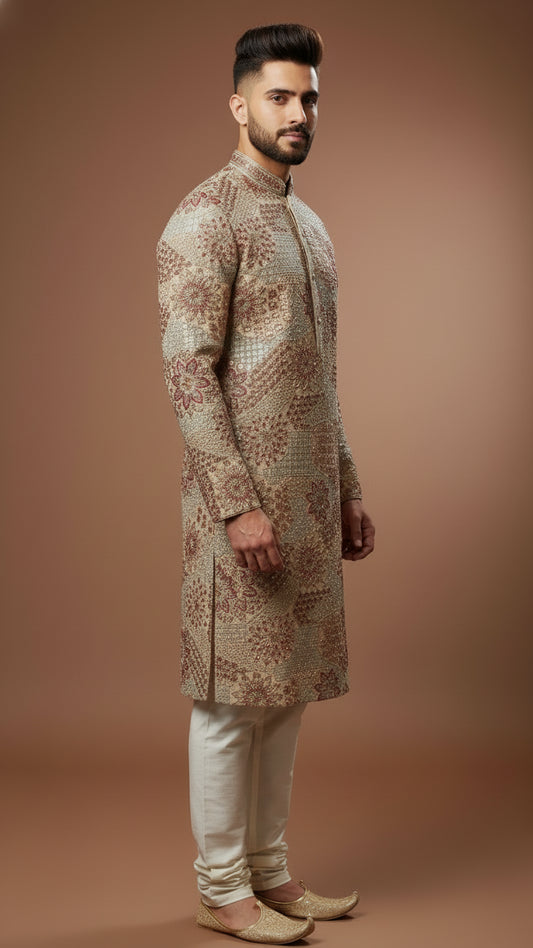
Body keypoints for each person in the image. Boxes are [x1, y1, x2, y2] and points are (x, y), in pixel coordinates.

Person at [156, 22, 375, 944]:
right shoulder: (205, 216)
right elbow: (186, 371)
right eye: (279, 96)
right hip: (238, 510)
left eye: (308, 97)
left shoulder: (308, 225)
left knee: (284, 696)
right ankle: (220, 887)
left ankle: (270, 873)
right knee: (228, 703)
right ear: (237, 104)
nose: (297, 113)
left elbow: (320, 378)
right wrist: (238, 503)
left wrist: (347, 485)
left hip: (307, 507)